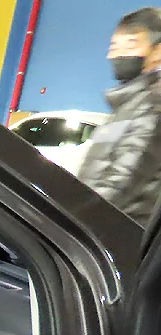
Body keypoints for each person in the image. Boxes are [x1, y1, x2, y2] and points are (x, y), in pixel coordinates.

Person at [79, 8, 161, 226]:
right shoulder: (126, 106)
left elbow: (122, 182)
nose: (117, 55)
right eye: (114, 47)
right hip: (98, 225)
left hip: (118, 231)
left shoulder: (152, 106)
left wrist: (76, 216)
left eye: (131, 45)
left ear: (157, 52)